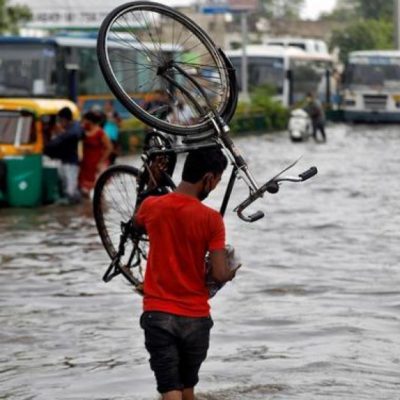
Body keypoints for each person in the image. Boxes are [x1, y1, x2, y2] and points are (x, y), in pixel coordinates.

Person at [134, 148, 238, 400]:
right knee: (187, 390)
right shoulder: (211, 219)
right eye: (217, 182)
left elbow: (136, 224)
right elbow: (221, 274)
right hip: (196, 319)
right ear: (209, 179)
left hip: (158, 315)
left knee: (170, 389)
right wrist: (230, 270)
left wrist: (152, 185)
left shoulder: (151, 206)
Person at [43, 107, 82, 204]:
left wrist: (58, 138)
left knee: (70, 190)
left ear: (65, 119)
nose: (60, 123)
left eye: (61, 120)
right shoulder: (66, 130)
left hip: (71, 163)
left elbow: (71, 135)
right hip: (62, 161)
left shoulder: (74, 129)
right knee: (65, 186)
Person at [78, 111, 113, 197]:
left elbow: (109, 148)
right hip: (86, 165)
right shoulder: (83, 131)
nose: (83, 122)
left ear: (89, 121)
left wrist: (101, 162)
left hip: (97, 165)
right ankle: (87, 209)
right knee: (84, 192)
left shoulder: (100, 132)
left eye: (85, 120)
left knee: (100, 192)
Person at [103, 100, 122, 165]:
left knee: (112, 151)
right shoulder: (103, 115)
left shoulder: (115, 114)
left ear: (111, 106)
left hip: (113, 135)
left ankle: (112, 164)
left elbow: (120, 123)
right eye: (105, 105)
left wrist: (112, 119)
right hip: (105, 135)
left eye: (107, 105)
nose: (106, 106)